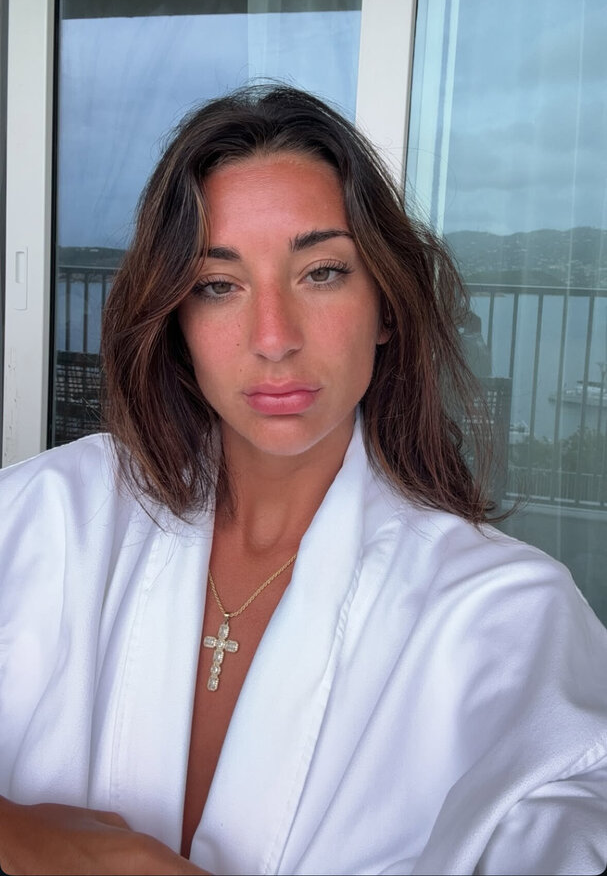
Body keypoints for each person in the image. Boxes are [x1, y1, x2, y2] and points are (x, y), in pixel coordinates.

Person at [0, 85, 606, 876]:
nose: (273, 338)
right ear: (176, 320)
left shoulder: (504, 618)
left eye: (320, 273)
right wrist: (28, 842)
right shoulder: (41, 516)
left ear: (386, 305)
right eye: (218, 284)